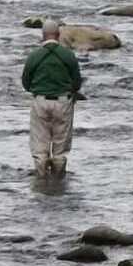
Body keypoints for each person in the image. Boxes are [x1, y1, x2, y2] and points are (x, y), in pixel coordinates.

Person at [21, 20, 82, 178]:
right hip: (63, 102)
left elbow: (26, 82)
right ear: (58, 35)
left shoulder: (34, 56)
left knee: (40, 144)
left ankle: (41, 181)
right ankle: (58, 181)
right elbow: (77, 82)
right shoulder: (68, 55)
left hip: (40, 101)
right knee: (60, 146)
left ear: (43, 35)